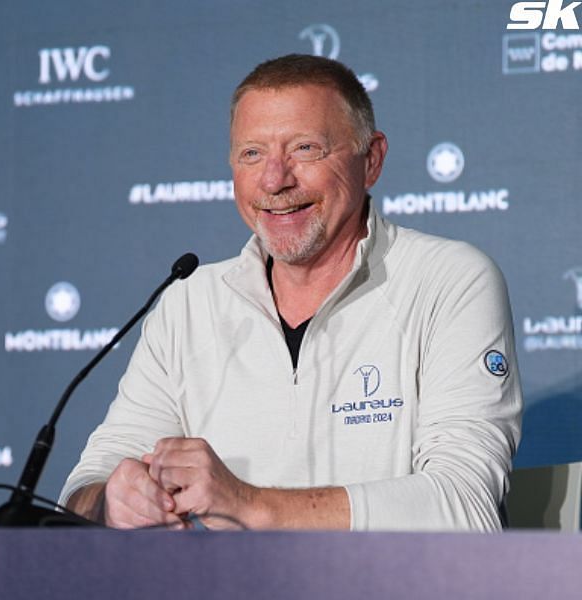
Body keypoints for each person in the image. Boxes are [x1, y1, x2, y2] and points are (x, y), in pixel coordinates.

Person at [62, 54, 522, 532]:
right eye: (252, 154)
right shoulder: (187, 303)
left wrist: (250, 504)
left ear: (372, 159)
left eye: (305, 149)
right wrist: (111, 504)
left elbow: (465, 508)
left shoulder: (449, 281)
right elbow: (87, 483)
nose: (275, 180)